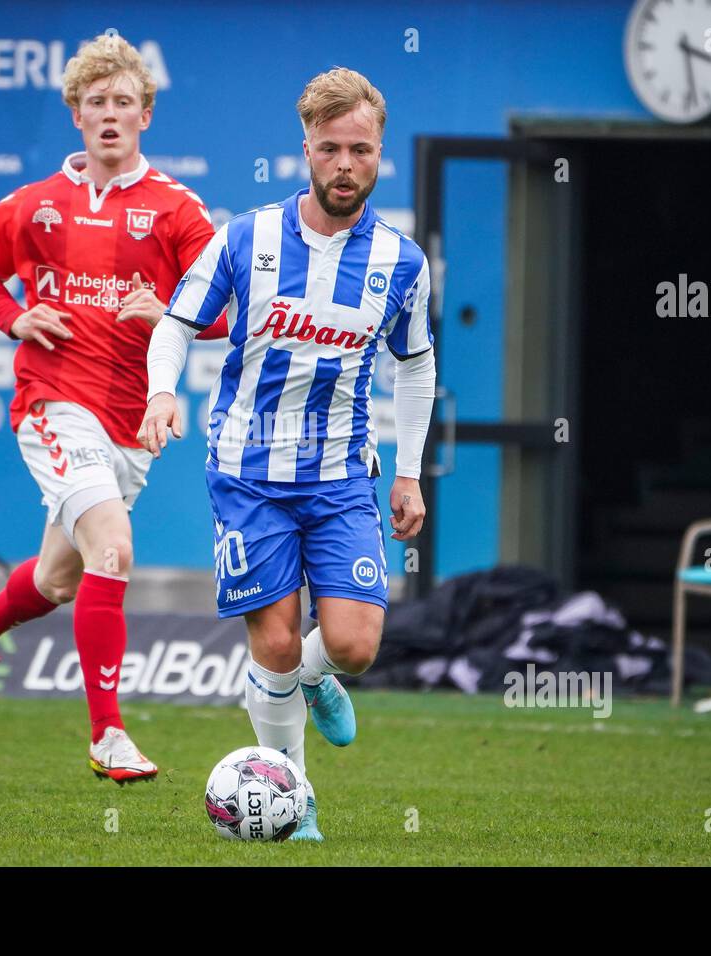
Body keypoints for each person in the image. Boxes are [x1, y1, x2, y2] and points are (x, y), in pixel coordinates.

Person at [140, 68, 436, 839]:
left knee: (355, 646)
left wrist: (407, 472)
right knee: (271, 640)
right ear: (305, 148)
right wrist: (162, 393)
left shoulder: (401, 262)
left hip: (340, 474)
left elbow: (416, 362)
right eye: (331, 149)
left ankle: (317, 678)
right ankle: (294, 801)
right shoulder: (247, 237)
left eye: (361, 151)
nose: (346, 165)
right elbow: (175, 323)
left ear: (380, 155)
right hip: (249, 474)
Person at [0, 33, 223, 783]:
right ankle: (108, 736)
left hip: (131, 421)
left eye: (123, 103)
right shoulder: (31, 205)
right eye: (96, 102)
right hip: (52, 403)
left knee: (56, 580)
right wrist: (16, 319)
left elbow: (232, 310)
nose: (110, 115)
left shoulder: (176, 209)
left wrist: (166, 312)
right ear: (76, 114)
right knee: (115, 550)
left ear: (145, 116)